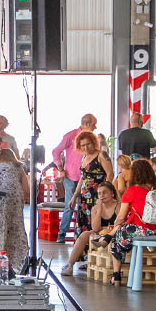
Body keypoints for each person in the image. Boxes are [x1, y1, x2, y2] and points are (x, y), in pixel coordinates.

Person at [63, 131, 115, 266]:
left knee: (95, 228)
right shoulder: (84, 157)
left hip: (97, 196)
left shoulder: (101, 155)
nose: (86, 148)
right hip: (84, 199)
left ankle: (94, 259)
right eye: (83, 145)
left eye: (88, 144)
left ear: (93, 142)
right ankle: (84, 257)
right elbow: (82, 178)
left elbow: (110, 174)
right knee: (83, 226)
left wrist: (103, 194)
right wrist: (74, 196)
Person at [105, 159, 156, 265]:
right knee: (120, 232)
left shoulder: (131, 190)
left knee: (118, 235)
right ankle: (107, 238)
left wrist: (115, 226)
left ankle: (116, 276)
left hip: (143, 230)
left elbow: (121, 217)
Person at [49, 114, 98, 240]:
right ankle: (62, 234)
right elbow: (56, 151)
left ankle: (82, 234)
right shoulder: (71, 135)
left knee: (84, 206)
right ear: (87, 124)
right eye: (93, 124)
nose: (95, 127)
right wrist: (60, 169)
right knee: (69, 206)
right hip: (71, 175)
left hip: (86, 177)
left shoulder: (93, 138)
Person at [62, 181, 120, 275]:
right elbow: (96, 228)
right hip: (100, 232)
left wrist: (107, 229)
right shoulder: (95, 208)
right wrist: (100, 208)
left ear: (112, 193)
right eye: (99, 193)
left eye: (105, 192)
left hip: (114, 233)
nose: (102, 195)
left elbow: (119, 224)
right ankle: (69, 264)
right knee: (84, 234)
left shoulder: (118, 206)